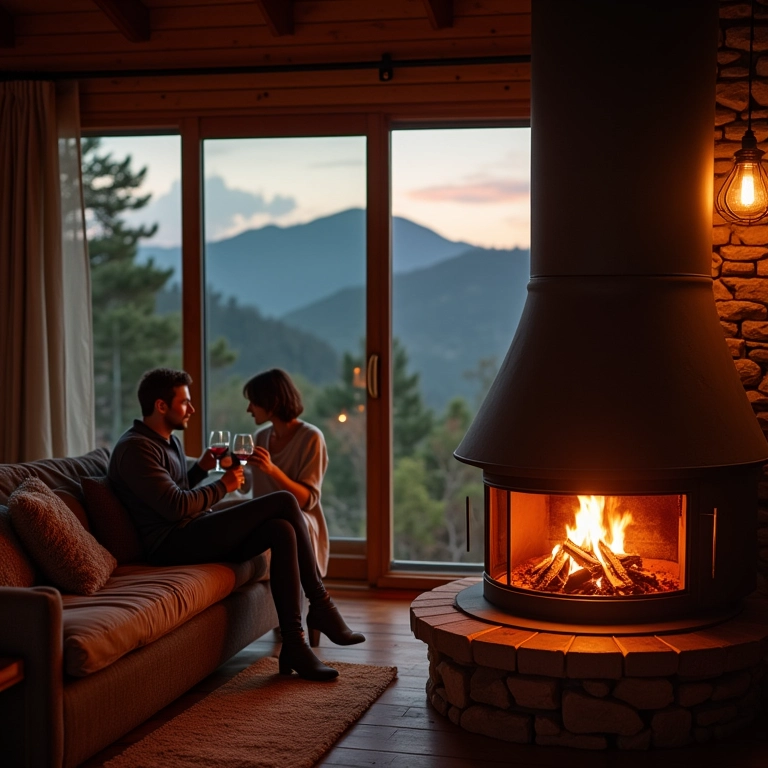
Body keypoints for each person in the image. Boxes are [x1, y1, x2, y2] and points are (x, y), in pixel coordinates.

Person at [107, 367, 364, 682]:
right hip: (170, 543)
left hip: (190, 529)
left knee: (281, 530)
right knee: (283, 501)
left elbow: (174, 487)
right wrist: (224, 485)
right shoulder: (136, 448)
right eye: (185, 402)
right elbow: (174, 507)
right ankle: (321, 604)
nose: (192, 409)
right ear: (161, 406)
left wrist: (201, 469)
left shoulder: (165, 442)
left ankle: (294, 645)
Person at [242, 369, 330, 581]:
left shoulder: (311, 437)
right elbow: (249, 485)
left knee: (283, 527)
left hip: (298, 516)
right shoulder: (260, 437)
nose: (248, 409)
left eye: (253, 402)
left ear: (270, 402)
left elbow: (305, 500)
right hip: (264, 514)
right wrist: (233, 470)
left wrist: (272, 470)